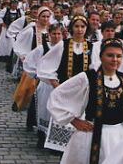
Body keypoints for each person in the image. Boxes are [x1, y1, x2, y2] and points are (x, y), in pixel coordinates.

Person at [37, 15, 94, 151]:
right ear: (71, 28)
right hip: (65, 90)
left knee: (80, 123)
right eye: (77, 26)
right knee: (63, 117)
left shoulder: (92, 47)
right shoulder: (63, 44)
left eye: (82, 26)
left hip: (83, 92)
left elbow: (95, 69)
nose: (79, 30)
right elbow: (47, 66)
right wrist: (58, 87)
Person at [23, 24, 63, 148]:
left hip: (59, 85)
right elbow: (29, 61)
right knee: (43, 110)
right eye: (54, 34)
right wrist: (37, 74)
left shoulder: (64, 48)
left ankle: (53, 139)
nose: (56, 37)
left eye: (58, 34)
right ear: (49, 35)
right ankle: (41, 136)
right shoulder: (42, 48)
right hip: (46, 85)